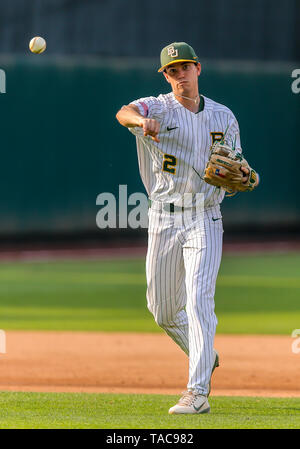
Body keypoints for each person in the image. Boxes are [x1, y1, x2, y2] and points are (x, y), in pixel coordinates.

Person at [116, 42, 256, 415]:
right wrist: (140, 122)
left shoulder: (224, 116)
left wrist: (239, 175)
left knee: (197, 301)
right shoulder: (157, 106)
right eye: (172, 70)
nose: (180, 75)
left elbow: (236, 168)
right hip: (162, 217)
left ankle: (197, 393)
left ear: (198, 69)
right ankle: (204, 354)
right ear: (166, 76)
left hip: (204, 217)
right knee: (161, 309)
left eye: (185, 68)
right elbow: (123, 112)